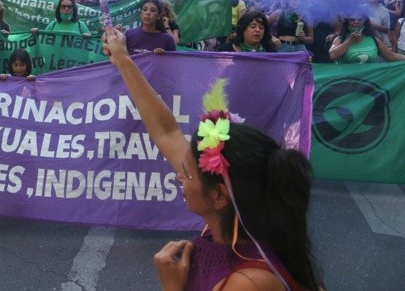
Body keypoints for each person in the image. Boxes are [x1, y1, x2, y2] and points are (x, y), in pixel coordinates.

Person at [101, 26, 321, 291]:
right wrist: (123, 59)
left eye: (189, 173)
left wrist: (171, 287)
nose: (179, 176)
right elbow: (167, 131)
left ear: (219, 196)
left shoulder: (249, 282)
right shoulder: (229, 229)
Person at [328, 12, 405, 64]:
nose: (356, 22)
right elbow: (332, 55)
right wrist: (349, 41)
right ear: (347, 22)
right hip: (346, 82)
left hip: (368, 83)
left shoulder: (373, 39)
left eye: (360, 19)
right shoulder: (340, 39)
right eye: (352, 19)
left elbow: (392, 56)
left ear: (365, 22)